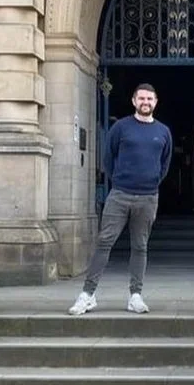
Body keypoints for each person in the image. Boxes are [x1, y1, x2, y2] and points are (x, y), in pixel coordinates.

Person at [69, 84, 172, 316]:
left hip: (148, 197)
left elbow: (165, 163)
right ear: (134, 101)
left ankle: (135, 295)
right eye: (141, 98)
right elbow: (108, 156)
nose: (146, 102)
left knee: (140, 246)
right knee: (105, 242)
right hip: (120, 194)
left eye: (150, 99)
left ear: (156, 102)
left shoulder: (163, 131)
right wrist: (120, 179)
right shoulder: (120, 127)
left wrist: (152, 181)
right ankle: (88, 294)